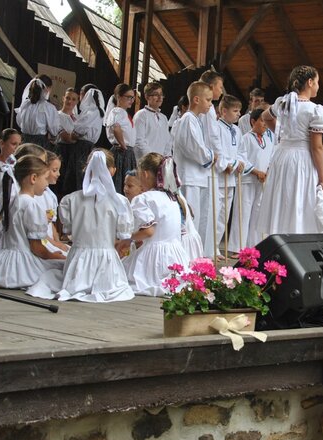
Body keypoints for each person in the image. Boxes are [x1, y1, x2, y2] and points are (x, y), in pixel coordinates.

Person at [28, 150, 135, 302]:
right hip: (107, 262)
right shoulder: (120, 202)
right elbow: (123, 235)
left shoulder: (70, 200)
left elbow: (69, 230)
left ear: (86, 168)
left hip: (78, 261)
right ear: (112, 171)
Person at [257, 65, 323, 235]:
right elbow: (316, 147)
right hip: (302, 157)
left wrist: (281, 135)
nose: (318, 86)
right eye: (317, 82)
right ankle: (298, 235)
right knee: (300, 197)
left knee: (283, 197)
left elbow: (266, 116)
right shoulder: (315, 110)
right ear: (310, 82)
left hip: (282, 155)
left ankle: (280, 234)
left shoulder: (282, 103)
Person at [0, 155, 65, 288]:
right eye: (45, 178)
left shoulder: (14, 200)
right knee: (62, 268)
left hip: (6, 257)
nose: (47, 184)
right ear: (33, 178)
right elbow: (37, 248)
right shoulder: (31, 205)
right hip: (22, 264)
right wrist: (56, 256)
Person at [116, 153, 189, 296]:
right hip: (176, 254)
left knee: (122, 275)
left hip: (154, 257)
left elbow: (148, 232)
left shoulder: (144, 198)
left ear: (144, 174)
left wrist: (127, 238)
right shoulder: (172, 198)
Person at [173, 81, 216, 248]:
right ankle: (187, 253)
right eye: (208, 100)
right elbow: (194, 148)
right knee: (189, 219)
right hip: (188, 177)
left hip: (196, 176)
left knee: (197, 218)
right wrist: (211, 156)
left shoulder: (196, 120)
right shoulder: (188, 119)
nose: (211, 104)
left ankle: (195, 252)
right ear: (196, 99)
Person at [228, 107, 274, 253]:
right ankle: (237, 247)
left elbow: (272, 157)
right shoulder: (246, 138)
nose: (265, 124)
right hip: (247, 180)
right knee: (243, 213)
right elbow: (241, 158)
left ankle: (254, 246)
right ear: (253, 121)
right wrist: (256, 171)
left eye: (266, 121)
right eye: (262, 120)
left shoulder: (268, 139)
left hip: (263, 181)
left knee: (258, 214)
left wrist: (267, 172)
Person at [207, 94, 244, 258]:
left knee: (224, 215)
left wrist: (238, 163)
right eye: (235, 110)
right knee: (215, 212)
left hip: (232, 178)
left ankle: (217, 245)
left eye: (239, 111)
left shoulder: (237, 130)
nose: (238, 114)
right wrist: (226, 165)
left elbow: (242, 152)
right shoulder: (216, 127)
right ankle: (211, 247)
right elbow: (216, 150)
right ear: (223, 111)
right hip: (219, 176)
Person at [62, 84, 105, 195]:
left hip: (81, 147)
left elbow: (78, 131)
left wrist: (73, 135)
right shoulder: (97, 111)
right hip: (88, 146)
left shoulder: (91, 112)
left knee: (77, 174)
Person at [0, 129, 22, 241]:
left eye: (18, 144)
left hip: (11, 209)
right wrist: (0, 214)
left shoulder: (18, 165)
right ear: (2, 143)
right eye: (13, 144)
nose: (16, 148)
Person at [35, 151, 69, 256]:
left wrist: (57, 241)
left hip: (50, 241)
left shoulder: (50, 195)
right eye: (54, 170)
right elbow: (35, 228)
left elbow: (51, 224)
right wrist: (54, 244)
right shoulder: (35, 196)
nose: (58, 174)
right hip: (40, 241)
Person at [105, 83, 137, 192]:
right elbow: (116, 128)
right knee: (119, 183)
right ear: (118, 97)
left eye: (132, 97)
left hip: (127, 152)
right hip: (121, 152)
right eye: (128, 97)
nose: (131, 100)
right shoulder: (117, 111)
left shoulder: (123, 113)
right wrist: (123, 144)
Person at [15, 75, 60, 149]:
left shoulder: (25, 104)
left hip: (23, 141)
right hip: (39, 144)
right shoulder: (48, 107)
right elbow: (54, 131)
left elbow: (19, 122)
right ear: (48, 89)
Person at [133, 82, 172, 161]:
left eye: (161, 94)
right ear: (147, 97)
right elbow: (139, 141)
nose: (160, 97)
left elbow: (168, 141)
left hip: (161, 162)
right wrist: (153, 159)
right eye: (156, 94)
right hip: (145, 162)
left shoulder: (163, 117)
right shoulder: (141, 115)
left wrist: (166, 158)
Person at [54, 88, 79, 196]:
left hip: (74, 152)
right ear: (63, 98)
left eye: (73, 99)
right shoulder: (57, 115)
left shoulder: (78, 118)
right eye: (68, 98)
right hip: (62, 151)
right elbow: (66, 137)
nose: (70, 101)